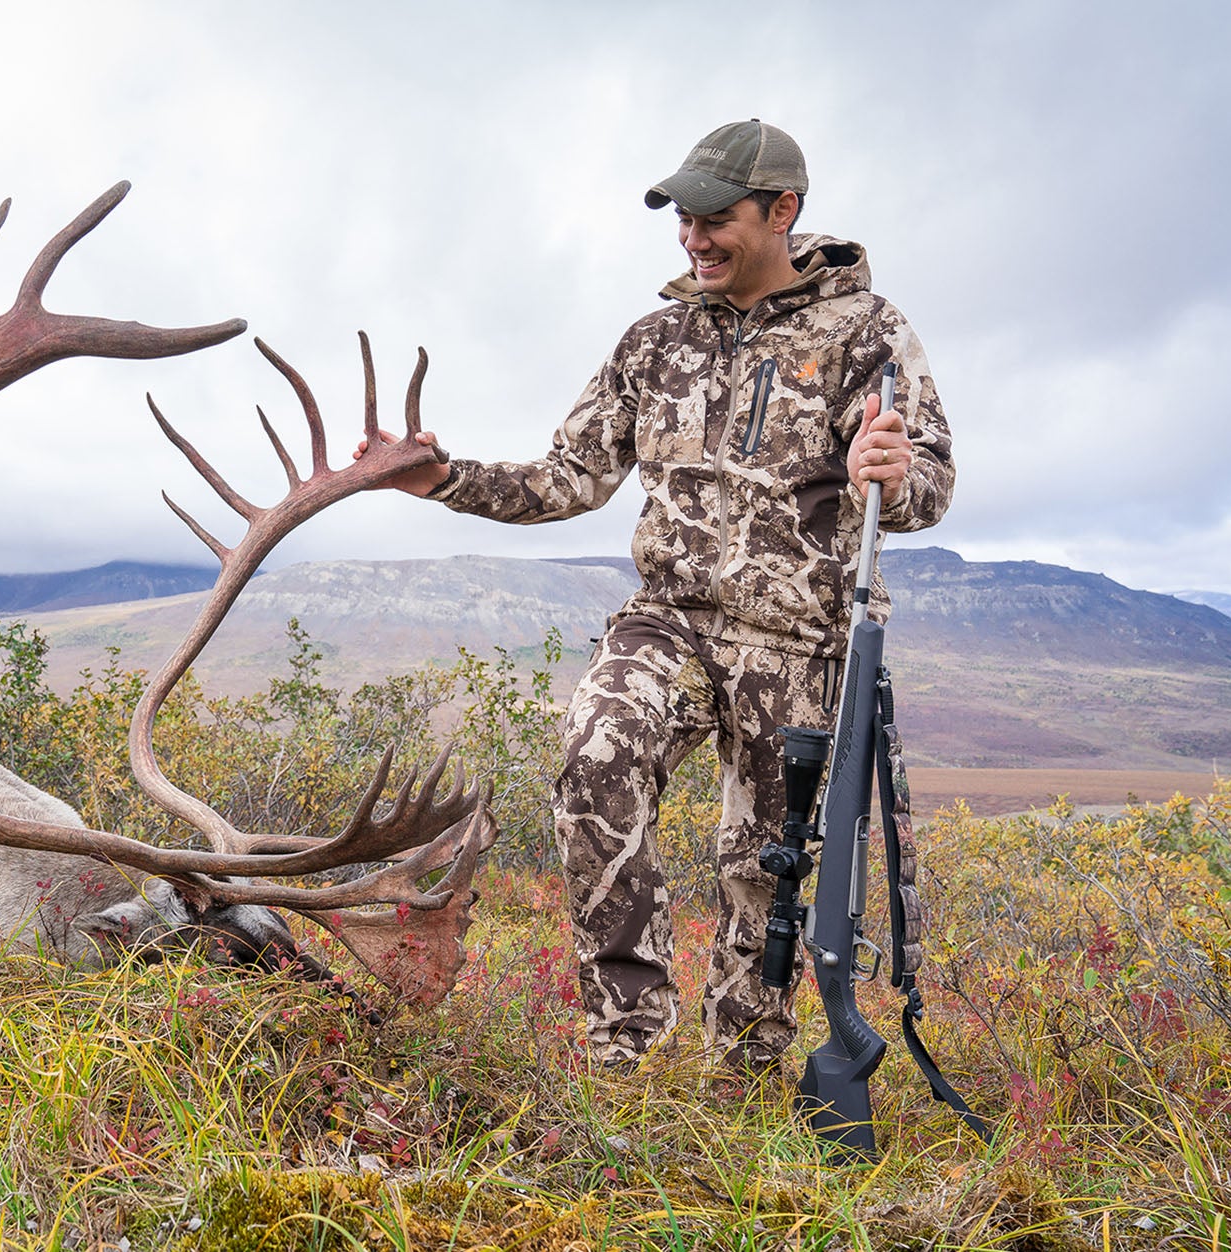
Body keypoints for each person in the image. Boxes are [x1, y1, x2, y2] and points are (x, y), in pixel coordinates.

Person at [361, 119, 953, 1072]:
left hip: (801, 642)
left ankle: (743, 1065)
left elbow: (928, 486)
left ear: (782, 211)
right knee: (594, 758)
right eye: (684, 218)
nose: (693, 237)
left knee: (765, 868)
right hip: (667, 621)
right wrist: (444, 479)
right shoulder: (654, 342)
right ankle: (625, 1043)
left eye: (715, 218)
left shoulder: (868, 334)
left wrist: (893, 471)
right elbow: (568, 478)